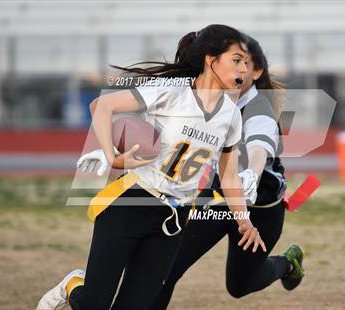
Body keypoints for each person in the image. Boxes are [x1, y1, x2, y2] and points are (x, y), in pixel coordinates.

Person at [36, 25, 266, 310]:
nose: (243, 69)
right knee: (94, 304)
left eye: (245, 62)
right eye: (236, 60)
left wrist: (244, 220)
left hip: (175, 219)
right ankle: (74, 284)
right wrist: (112, 156)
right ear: (211, 59)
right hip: (133, 202)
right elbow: (102, 106)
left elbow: (229, 174)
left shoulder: (231, 115)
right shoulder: (173, 91)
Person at [151, 36, 305, 309]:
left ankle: (287, 265)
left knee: (238, 286)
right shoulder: (212, 99)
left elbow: (260, 146)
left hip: (261, 209)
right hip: (219, 200)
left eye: (244, 64)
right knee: (163, 270)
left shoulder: (261, 110)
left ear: (256, 72)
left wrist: (251, 177)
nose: (236, 70)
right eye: (232, 62)